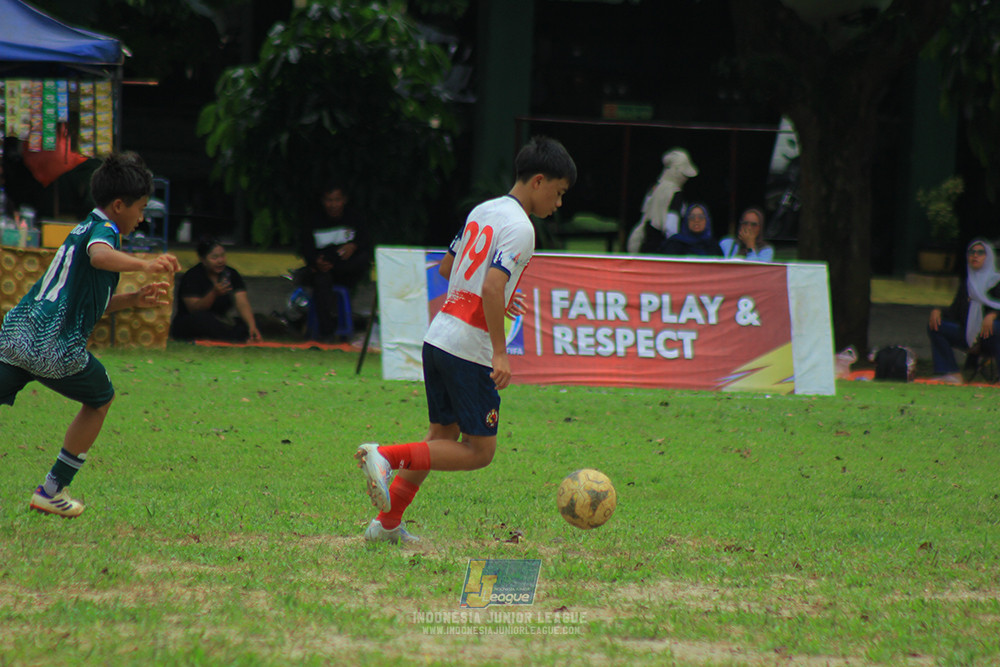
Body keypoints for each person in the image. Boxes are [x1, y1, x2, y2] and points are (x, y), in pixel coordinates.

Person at [353, 136, 577, 543]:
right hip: (467, 349)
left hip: (438, 337)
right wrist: (499, 352)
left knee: (440, 436)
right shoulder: (522, 228)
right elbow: (492, 288)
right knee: (479, 452)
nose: (558, 204)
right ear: (539, 181)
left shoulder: (485, 209)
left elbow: (447, 267)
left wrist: (498, 297)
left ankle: (386, 526)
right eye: (559, 194)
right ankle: (385, 455)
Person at [0, 151, 181, 517]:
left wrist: (132, 299)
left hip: (18, 334)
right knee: (101, 398)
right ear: (118, 205)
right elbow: (100, 256)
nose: (142, 218)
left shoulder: (81, 226)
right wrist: (147, 265)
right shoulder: (104, 231)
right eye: (141, 208)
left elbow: (83, 300)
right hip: (53, 345)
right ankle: (52, 489)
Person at [295, 182, 372, 339]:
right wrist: (316, 262)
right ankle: (326, 333)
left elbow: (367, 244)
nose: (333, 205)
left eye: (337, 200)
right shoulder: (312, 220)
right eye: (329, 200)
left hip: (346, 269)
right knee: (321, 281)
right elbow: (306, 248)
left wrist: (354, 245)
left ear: (344, 200)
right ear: (323, 201)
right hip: (321, 270)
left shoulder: (355, 218)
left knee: (361, 260)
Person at [927, 238, 1000, 384]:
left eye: (980, 253)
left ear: (988, 257)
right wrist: (938, 311)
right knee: (936, 325)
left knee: (997, 327)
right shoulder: (967, 284)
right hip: (968, 334)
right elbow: (955, 312)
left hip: (992, 337)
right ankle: (949, 372)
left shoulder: (997, 281)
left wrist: (993, 315)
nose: (975, 256)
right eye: (972, 252)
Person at [171, 237, 263, 342]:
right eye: (214, 258)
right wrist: (213, 293)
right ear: (203, 260)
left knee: (253, 320)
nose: (220, 261)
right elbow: (194, 309)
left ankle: (244, 335)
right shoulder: (192, 276)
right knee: (202, 319)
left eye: (222, 256)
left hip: (219, 320)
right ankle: (232, 338)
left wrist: (251, 326)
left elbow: (242, 302)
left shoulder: (230, 274)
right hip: (193, 321)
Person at [658, 203, 723, 257]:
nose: (696, 220)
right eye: (692, 217)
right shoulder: (674, 244)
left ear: (706, 221)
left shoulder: (712, 245)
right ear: (686, 221)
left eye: (700, 217)